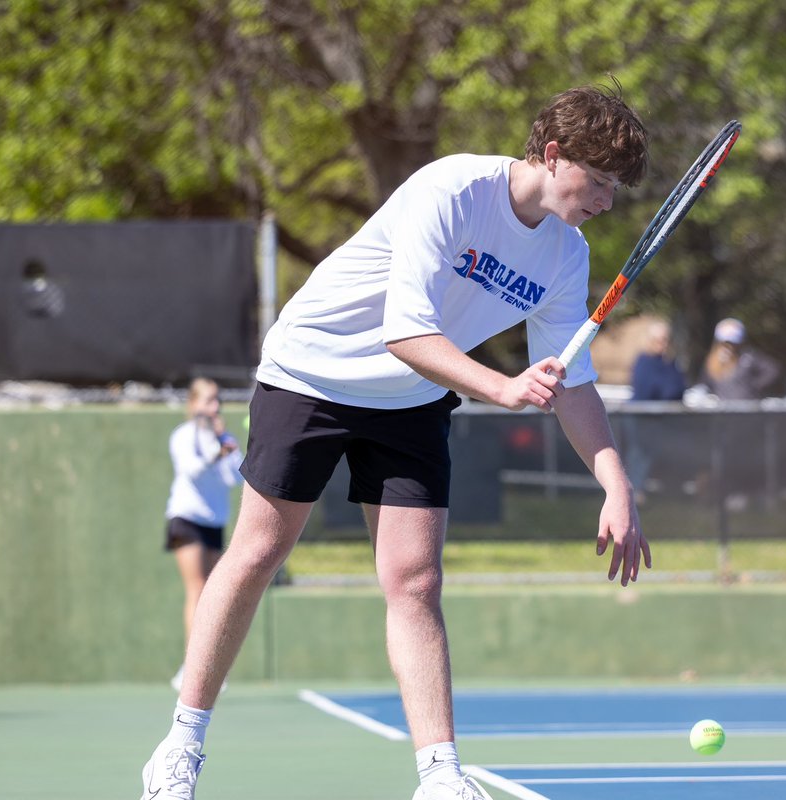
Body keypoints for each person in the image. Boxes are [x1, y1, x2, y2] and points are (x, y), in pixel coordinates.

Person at [139, 83, 652, 800]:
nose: (604, 200)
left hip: (411, 399)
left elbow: (572, 382)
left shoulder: (565, 255)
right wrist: (500, 387)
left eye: (614, 189)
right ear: (553, 153)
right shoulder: (450, 189)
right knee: (257, 552)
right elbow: (406, 331)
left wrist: (615, 484)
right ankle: (180, 745)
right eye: (596, 181)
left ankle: (441, 778)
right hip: (313, 372)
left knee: (416, 581)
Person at [163, 377, 243, 692]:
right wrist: (215, 453)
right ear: (194, 404)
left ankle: (202, 667)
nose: (214, 406)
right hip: (185, 518)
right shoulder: (183, 436)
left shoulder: (223, 438)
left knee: (211, 594)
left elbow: (236, 477)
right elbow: (190, 471)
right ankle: (191, 668)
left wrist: (224, 442)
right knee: (196, 589)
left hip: (214, 521)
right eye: (208, 400)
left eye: (217, 400)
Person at [624, 319, 686, 502]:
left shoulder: (670, 363)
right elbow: (652, 389)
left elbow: (678, 388)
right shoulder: (644, 361)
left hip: (660, 420)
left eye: (665, 339)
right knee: (638, 454)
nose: (662, 344)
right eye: (658, 340)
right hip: (640, 417)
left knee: (653, 455)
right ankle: (634, 492)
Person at [697, 317, 779, 401]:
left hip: (746, 407)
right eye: (724, 343)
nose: (728, 347)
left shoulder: (748, 357)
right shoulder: (712, 362)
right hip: (721, 408)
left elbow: (772, 370)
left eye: (732, 343)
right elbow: (705, 383)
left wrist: (753, 386)